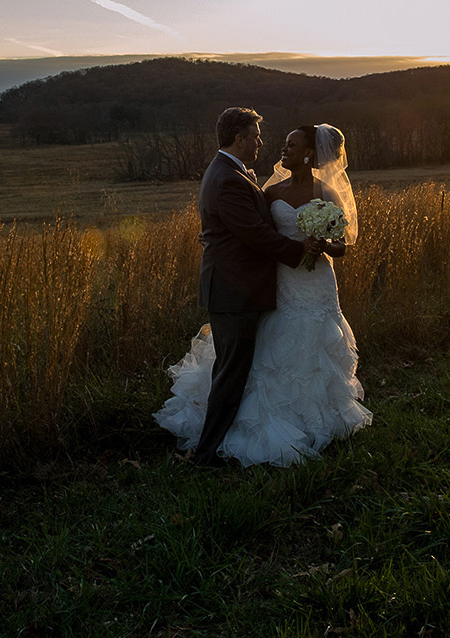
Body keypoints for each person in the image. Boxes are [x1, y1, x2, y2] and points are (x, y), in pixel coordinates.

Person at [155, 121, 372, 467]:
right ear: (239, 138)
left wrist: (324, 246)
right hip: (282, 280)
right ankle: (249, 427)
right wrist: (217, 236)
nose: (280, 149)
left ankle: (314, 420)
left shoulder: (327, 193)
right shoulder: (270, 192)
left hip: (316, 283)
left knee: (314, 351)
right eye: (277, 142)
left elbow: (342, 245)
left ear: (310, 154)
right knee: (270, 351)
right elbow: (255, 231)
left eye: (291, 145)